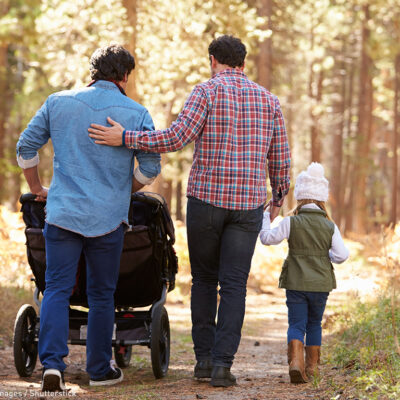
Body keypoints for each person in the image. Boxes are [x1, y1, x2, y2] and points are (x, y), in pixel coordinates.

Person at [88, 35, 291, 387]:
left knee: (204, 281)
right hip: (247, 207)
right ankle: (223, 367)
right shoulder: (269, 101)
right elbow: (281, 159)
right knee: (234, 286)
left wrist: (126, 138)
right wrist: (277, 199)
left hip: (206, 203)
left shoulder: (206, 92)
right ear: (243, 62)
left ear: (214, 60)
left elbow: (176, 137)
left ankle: (204, 362)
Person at [16, 45, 161, 391]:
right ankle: (99, 370)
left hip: (63, 213)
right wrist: (121, 193)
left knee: (55, 289)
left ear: (92, 71)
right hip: (108, 219)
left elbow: (25, 147)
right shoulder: (137, 112)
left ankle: (52, 366)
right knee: (101, 295)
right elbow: (151, 168)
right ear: (124, 76)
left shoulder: (57, 102)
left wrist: (38, 187)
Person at [259, 162, 349, 383]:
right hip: (321, 285)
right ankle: (313, 369)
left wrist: (264, 218)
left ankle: (296, 363)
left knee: (296, 324)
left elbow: (266, 239)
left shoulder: (291, 222)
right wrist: (323, 256)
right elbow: (342, 255)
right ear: (321, 199)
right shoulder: (330, 226)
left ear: (300, 196)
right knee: (314, 324)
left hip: (296, 283)